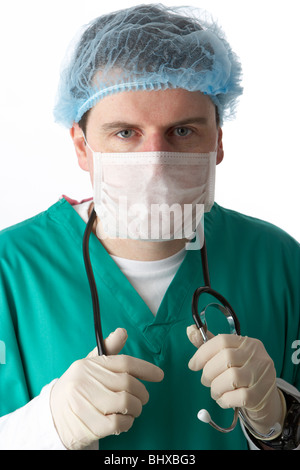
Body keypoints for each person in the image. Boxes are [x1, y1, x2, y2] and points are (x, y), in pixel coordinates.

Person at [0, 4, 299, 451]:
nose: (156, 164)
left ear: (218, 141)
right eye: (125, 133)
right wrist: (47, 426)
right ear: (82, 147)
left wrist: (279, 418)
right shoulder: (11, 269)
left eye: (181, 132)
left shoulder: (279, 261)